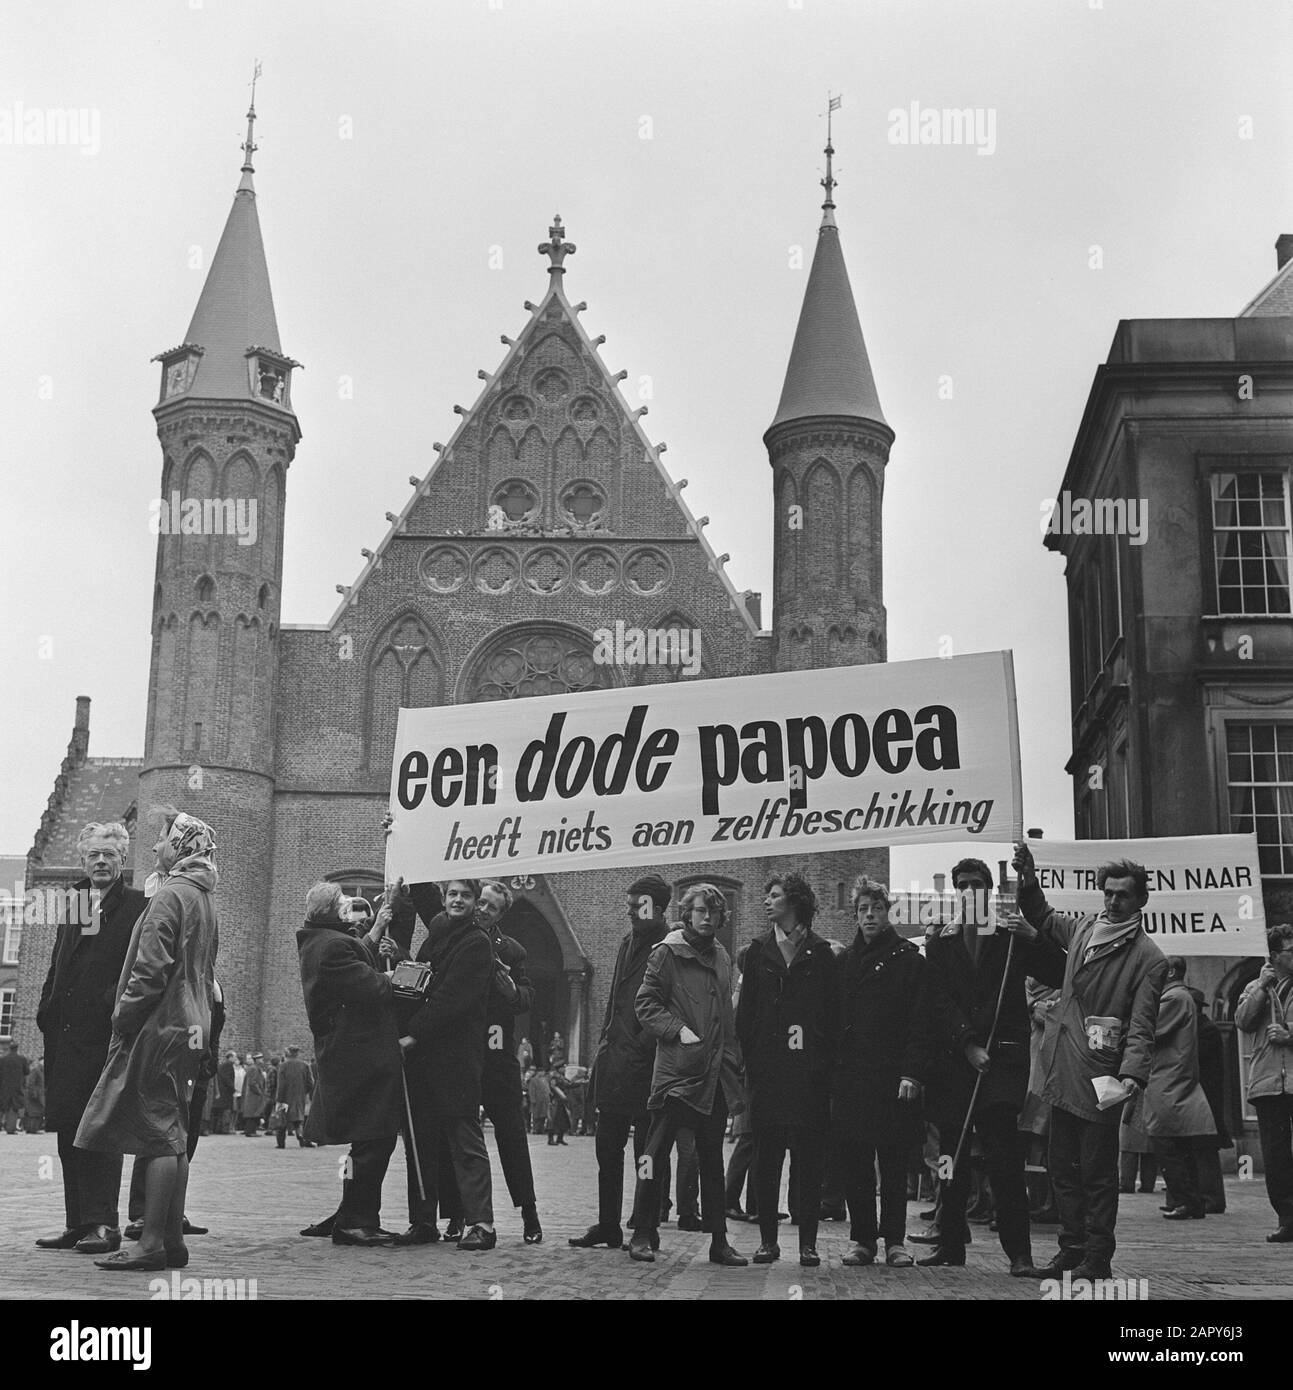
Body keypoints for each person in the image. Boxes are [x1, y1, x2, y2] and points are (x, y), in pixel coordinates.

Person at [1011, 843, 1169, 1281]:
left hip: (1103, 1074)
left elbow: (1142, 1025)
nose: (1113, 901)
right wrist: (1028, 874)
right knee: (1062, 1165)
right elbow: (1042, 915)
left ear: (1140, 900)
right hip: (1063, 1065)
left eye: (1123, 895)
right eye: (1108, 892)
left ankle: (1097, 1256)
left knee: (1097, 1173)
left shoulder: (1149, 958)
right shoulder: (1083, 929)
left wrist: (1131, 1074)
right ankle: (1071, 1247)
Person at [76, 808, 219, 1272]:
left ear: (179, 846)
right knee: (173, 1131)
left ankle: (151, 1242)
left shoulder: (170, 896)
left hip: (161, 1025)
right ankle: (171, 1240)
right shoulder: (202, 895)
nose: (155, 847)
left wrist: (122, 1016)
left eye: (161, 840)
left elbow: (150, 969)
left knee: (157, 1134)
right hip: (192, 1022)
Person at [919, 858, 1064, 1277]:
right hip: (955, 1064)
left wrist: (1035, 936)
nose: (970, 891)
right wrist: (966, 1043)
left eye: (977, 884)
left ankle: (1019, 1253)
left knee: (1004, 1160)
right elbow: (938, 1001)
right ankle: (950, 1243)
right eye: (962, 885)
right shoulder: (941, 945)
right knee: (951, 1159)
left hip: (1000, 1064)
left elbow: (1059, 969)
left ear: (988, 890)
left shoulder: (1011, 939)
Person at [34, 822, 148, 1254]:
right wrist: (46, 1010)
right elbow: (57, 966)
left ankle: (104, 1223)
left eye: (110, 855)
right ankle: (77, 1222)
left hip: (104, 1040)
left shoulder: (137, 906)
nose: (101, 861)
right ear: (83, 860)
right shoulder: (74, 903)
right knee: (68, 1133)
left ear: (122, 861)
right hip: (63, 1041)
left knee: (100, 1132)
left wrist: (112, 1009)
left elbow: (141, 968)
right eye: (94, 855)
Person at [627, 882, 747, 1267]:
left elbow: (726, 1017)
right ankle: (643, 1232)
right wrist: (677, 1029)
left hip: (713, 1076)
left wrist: (731, 1061)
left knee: (711, 1160)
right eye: (700, 911)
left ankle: (718, 1241)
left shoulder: (723, 957)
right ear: (687, 914)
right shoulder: (667, 953)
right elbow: (645, 1003)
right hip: (677, 1074)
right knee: (654, 1155)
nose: (708, 918)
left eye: (714, 912)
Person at [736, 872, 839, 1268]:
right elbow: (746, 1016)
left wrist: (822, 1065)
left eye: (775, 896)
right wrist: (755, 1060)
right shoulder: (757, 951)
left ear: (794, 903)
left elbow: (833, 1016)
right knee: (767, 1159)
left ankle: (808, 1243)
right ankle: (767, 1241)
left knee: (809, 1160)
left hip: (809, 1076)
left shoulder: (822, 954)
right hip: (769, 1075)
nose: (767, 902)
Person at [432, 881, 543, 1243]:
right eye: (480, 902)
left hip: (496, 1059)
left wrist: (512, 991)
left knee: (512, 1135)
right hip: (461, 1053)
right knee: (455, 1134)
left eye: (491, 907)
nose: (481, 909)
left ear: (501, 915)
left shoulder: (511, 950)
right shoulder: (450, 934)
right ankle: (455, 1215)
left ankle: (529, 1212)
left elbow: (527, 995)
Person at [389, 878, 497, 1251]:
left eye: (466, 896)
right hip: (423, 1061)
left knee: (465, 1142)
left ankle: (482, 1223)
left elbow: (452, 999)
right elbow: (421, 976)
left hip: (454, 1059)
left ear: (476, 903)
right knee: (420, 1143)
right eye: (452, 894)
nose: (457, 900)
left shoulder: (476, 944)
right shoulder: (437, 933)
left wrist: (412, 1033)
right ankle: (422, 1221)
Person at [296, 880, 403, 1246]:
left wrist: (375, 930)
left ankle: (349, 1212)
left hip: (349, 1057)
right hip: (362, 1059)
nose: (349, 906)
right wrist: (393, 977)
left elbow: (355, 956)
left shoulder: (323, 941)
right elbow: (371, 987)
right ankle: (356, 1220)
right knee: (375, 1139)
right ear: (335, 911)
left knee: (363, 1144)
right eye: (343, 903)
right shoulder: (334, 946)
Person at [571, 875, 673, 1251]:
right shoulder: (627, 943)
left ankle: (646, 1228)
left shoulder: (671, 946)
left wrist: (643, 1044)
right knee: (607, 1151)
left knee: (646, 1156)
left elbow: (670, 1006)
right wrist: (603, 1048)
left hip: (649, 1067)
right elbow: (615, 1001)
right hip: (615, 1066)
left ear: (660, 909)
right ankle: (608, 1224)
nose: (631, 911)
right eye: (629, 904)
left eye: (639, 905)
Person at [833, 877, 928, 1268]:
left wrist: (912, 1072)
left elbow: (920, 1022)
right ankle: (863, 1240)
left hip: (894, 1079)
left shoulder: (909, 959)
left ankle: (894, 1240)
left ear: (888, 912)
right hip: (853, 1077)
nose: (869, 915)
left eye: (875, 908)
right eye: (862, 909)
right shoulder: (845, 962)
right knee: (856, 1162)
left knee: (893, 1163)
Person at [1143, 956, 1216, 1221]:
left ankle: (1184, 1200)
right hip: (1172, 1077)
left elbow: (1149, 1029)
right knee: (1178, 1143)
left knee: (1165, 1142)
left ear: (1171, 971)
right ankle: (1191, 1202)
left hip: (1168, 1080)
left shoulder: (1173, 998)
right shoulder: (1180, 997)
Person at [1234, 922, 1293, 1242]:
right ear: (1274, 956)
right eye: (1291, 950)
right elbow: (1242, 1021)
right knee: (1277, 1154)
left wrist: (1290, 1033)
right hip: (1268, 1081)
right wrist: (1260, 988)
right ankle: (1287, 1217)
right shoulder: (1254, 988)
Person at [723, 945, 758, 1224]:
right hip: (746, 1073)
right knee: (747, 1137)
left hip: (745, 1071)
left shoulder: (742, 989)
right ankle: (729, 1199)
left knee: (753, 1138)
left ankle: (752, 1203)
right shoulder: (744, 993)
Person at [274, 1044, 312, 1149]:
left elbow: (281, 1084)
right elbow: (310, 1082)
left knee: (282, 1121)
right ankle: (301, 1136)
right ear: (297, 1053)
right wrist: (304, 1092)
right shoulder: (304, 1065)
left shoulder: (283, 1066)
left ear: (288, 1053)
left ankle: (281, 1143)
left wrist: (279, 1099)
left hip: (285, 1097)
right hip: (299, 1096)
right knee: (299, 1119)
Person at [0, 1041, 30, 1134]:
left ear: (9, 1048)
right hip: (17, 1087)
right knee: (14, 1108)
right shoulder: (22, 1059)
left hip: (4, 1087)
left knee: (3, 1107)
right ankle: (11, 1128)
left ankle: (3, 1125)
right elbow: (27, 1072)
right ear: (17, 1049)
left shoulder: (3, 1060)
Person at [241, 1054, 267, 1136]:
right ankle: (250, 1131)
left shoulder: (256, 1068)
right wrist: (259, 1092)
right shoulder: (254, 1068)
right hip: (253, 1095)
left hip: (255, 1095)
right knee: (252, 1113)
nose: (262, 1061)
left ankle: (252, 1130)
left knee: (255, 1113)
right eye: (261, 1059)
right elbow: (252, 1082)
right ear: (257, 1060)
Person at [212, 1050, 237, 1135]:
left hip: (222, 1092)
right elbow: (227, 1079)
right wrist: (233, 1088)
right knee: (226, 1111)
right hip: (226, 1093)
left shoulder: (222, 1065)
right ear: (230, 1057)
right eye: (234, 1057)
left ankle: (218, 1128)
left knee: (221, 1112)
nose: (235, 1059)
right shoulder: (228, 1065)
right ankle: (225, 1129)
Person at [24, 1056, 46, 1134]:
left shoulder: (42, 1070)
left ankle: (33, 1129)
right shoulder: (36, 1070)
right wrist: (33, 1093)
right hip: (36, 1095)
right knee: (34, 1113)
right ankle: (32, 1129)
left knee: (38, 1113)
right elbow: (31, 1082)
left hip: (40, 1094)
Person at [527, 1067, 551, 1136]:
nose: (543, 1073)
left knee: (543, 1115)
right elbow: (532, 1090)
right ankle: (535, 1129)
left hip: (544, 1100)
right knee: (536, 1116)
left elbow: (547, 1090)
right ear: (538, 1072)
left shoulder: (544, 1079)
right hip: (537, 1100)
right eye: (542, 1072)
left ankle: (541, 1129)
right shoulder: (533, 1080)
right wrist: (533, 1100)